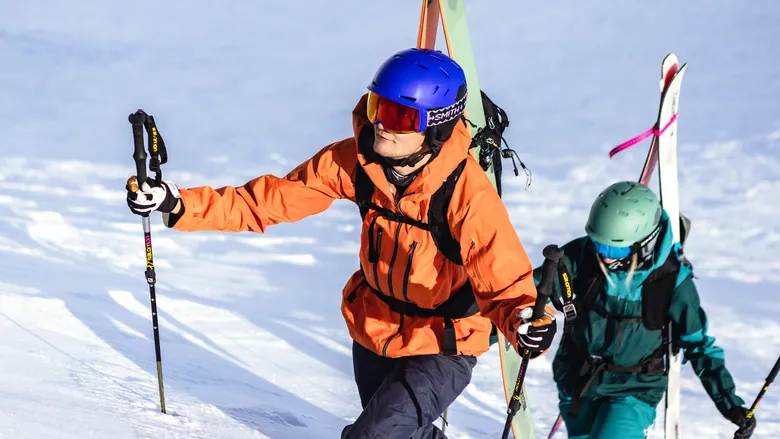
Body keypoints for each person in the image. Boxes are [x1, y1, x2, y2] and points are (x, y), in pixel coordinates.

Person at [125, 47, 556, 438]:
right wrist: (176, 202)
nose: (383, 123)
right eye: (377, 105)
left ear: (436, 129)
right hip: (374, 328)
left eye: (403, 117)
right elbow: (266, 202)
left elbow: (503, 277)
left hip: (443, 343)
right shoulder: (354, 160)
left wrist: (524, 320)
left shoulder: (468, 195)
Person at [541, 181, 755, 439]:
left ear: (644, 243)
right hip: (577, 381)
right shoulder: (585, 254)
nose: (605, 256)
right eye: (599, 244)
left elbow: (700, 346)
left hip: (634, 389)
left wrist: (730, 404)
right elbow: (526, 293)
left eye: (613, 248)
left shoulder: (672, 282)